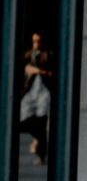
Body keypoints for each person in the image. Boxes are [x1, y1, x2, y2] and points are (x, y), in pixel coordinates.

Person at [19, 33, 51, 165]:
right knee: (23, 118)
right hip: (31, 91)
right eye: (34, 42)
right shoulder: (28, 55)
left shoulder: (46, 55)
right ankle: (37, 138)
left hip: (43, 91)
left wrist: (39, 71)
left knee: (41, 120)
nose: (37, 44)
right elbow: (24, 67)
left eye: (39, 41)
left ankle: (41, 152)